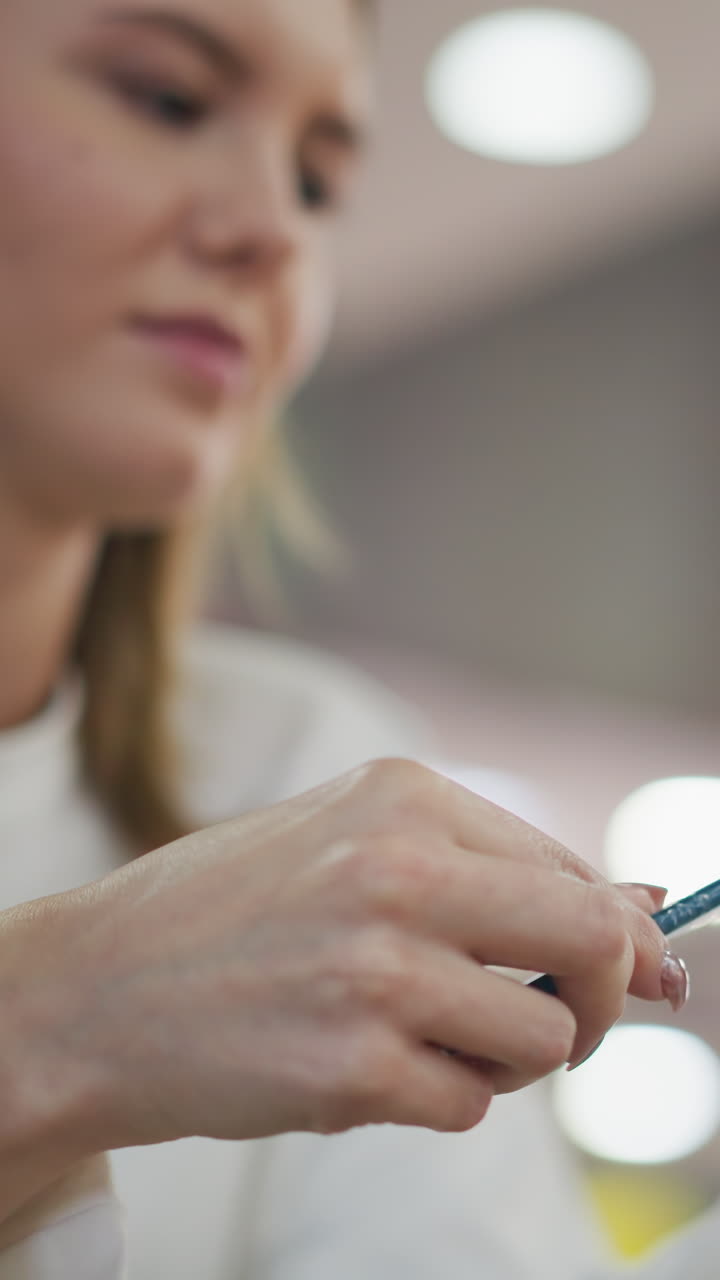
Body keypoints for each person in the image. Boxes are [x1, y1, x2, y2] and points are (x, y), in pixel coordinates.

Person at [0, 1, 709, 1277]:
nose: (271, 228)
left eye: (319, 180)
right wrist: (56, 1021)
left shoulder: (306, 768)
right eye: (166, 99)